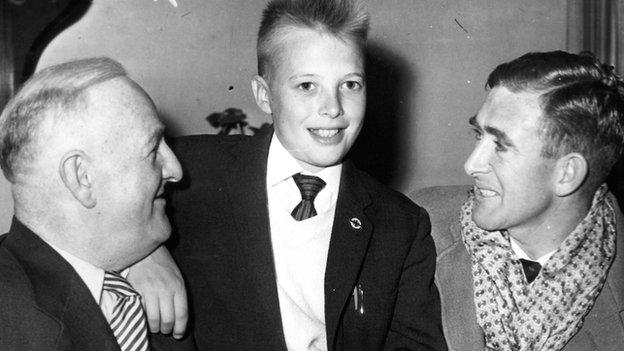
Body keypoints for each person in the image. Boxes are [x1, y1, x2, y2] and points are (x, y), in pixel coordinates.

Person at [168, 0, 446, 349]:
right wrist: (144, 259)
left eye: (350, 85)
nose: (332, 108)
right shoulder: (190, 173)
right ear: (264, 95)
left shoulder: (401, 224)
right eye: (306, 86)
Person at [430, 51, 624, 350]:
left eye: (501, 146)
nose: (471, 165)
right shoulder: (416, 226)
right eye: (477, 134)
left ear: (567, 174)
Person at [0, 57, 195, 350]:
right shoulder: (12, 323)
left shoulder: (159, 279)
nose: (176, 170)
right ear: (82, 177)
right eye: (153, 149)